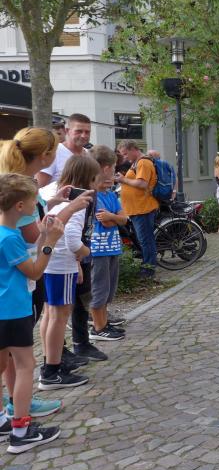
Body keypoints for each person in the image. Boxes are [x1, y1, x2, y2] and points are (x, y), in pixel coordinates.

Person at [0, 128, 95, 420]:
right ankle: (18, 409)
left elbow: (34, 218)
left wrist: (52, 203)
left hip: (20, 280)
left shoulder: (19, 183)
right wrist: (70, 208)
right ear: (46, 155)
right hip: (23, 281)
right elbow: (36, 234)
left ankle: (16, 404)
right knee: (19, 354)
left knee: (13, 353)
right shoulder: (21, 187)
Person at [0, 174, 64, 453]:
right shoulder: (9, 239)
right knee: (26, 366)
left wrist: (44, 236)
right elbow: (36, 271)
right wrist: (51, 242)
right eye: (32, 202)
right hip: (13, 311)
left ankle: (3, 422)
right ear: (20, 207)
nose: (35, 207)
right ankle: (21, 431)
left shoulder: (5, 234)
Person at [39, 155, 100, 390]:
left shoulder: (55, 194)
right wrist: (86, 252)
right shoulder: (77, 203)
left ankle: (50, 362)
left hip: (49, 262)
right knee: (59, 316)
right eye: (94, 179)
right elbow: (73, 240)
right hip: (61, 264)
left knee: (49, 314)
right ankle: (52, 371)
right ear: (87, 179)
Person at [86, 146, 128, 347]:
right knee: (99, 288)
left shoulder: (110, 195)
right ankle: (98, 327)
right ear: (105, 168)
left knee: (109, 288)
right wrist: (114, 218)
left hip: (112, 247)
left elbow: (123, 218)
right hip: (98, 249)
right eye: (113, 168)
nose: (115, 172)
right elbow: (107, 221)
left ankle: (104, 322)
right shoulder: (93, 196)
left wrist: (114, 217)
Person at [116, 140, 158, 279]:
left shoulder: (143, 162)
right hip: (137, 208)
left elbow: (142, 183)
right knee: (143, 239)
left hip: (143, 208)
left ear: (133, 149)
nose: (124, 157)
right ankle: (147, 266)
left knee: (146, 240)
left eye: (125, 154)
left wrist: (123, 180)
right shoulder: (136, 163)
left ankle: (149, 269)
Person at [35, 113, 91, 187]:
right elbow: (38, 188)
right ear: (67, 131)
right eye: (79, 131)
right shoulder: (53, 152)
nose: (83, 135)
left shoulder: (90, 155)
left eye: (87, 132)